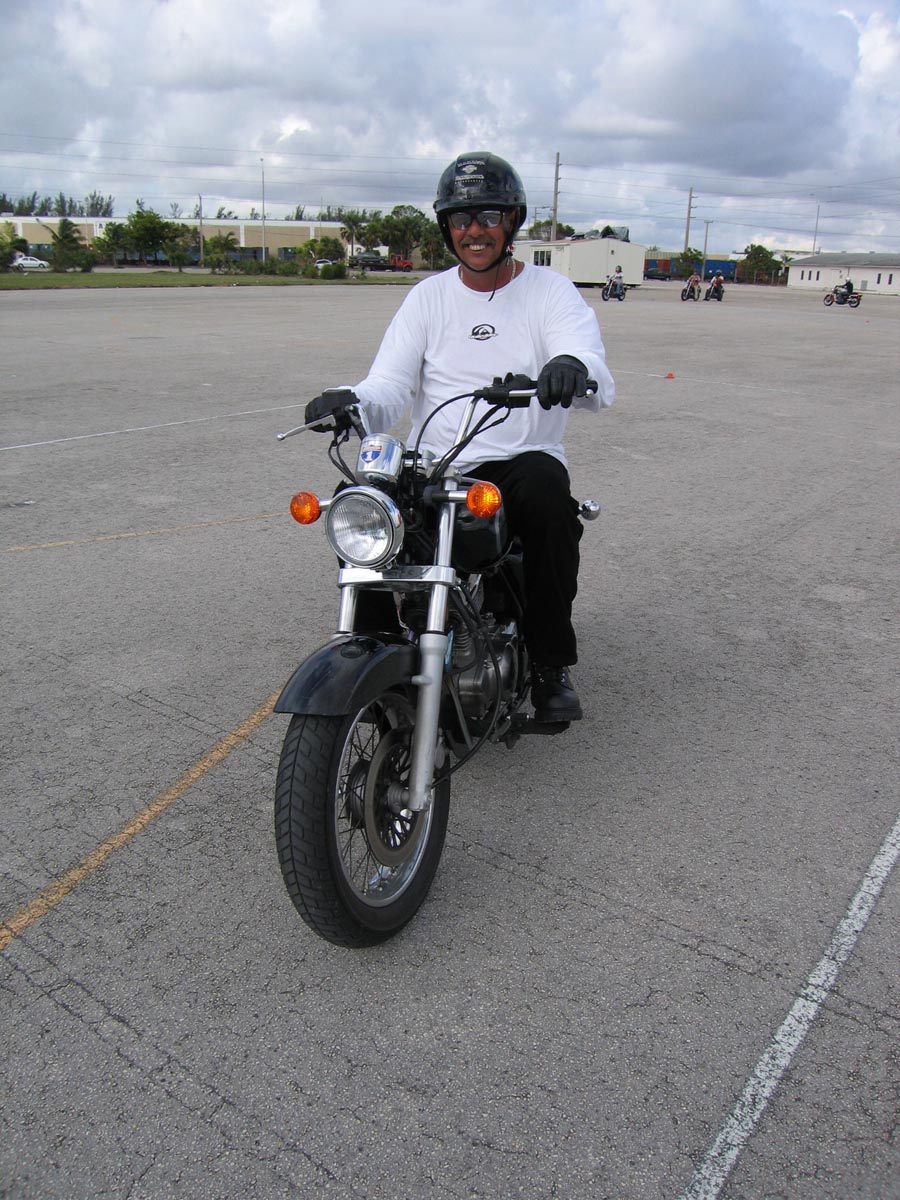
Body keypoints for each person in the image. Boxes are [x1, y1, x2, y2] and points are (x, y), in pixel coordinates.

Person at [304, 151, 615, 723]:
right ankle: (376, 652)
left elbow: (587, 360)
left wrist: (571, 367)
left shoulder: (550, 292)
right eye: (461, 218)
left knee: (548, 497)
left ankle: (550, 665)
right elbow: (389, 386)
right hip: (437, 465)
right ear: (446, 227)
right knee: (364, 503)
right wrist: (351, 401)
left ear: (512, 221)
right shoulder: (428, 297)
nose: (475, 230)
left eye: (489, 216)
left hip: (519, 460)